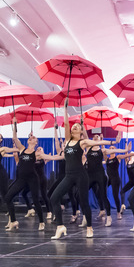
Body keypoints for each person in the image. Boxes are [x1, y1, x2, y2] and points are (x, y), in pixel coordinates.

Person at [49, 99, 115, 239]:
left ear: (80, 132)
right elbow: (66, 123)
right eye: (74, 126)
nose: (74, 127)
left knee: (84, 202)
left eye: (77, 127)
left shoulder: (83, 142)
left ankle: (89, 227)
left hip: (81, 175)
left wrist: (111, 142)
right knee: (54, 197)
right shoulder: (67, 141)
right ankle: (60, 226)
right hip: (68, 176)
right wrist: (65, 108)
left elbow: (97, 142)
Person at [3, 118, 51, 231]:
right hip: (21, 179)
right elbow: (14, 138)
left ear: (36, 143)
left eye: (34, 138)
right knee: (8, 197)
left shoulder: (37, 153)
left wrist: (62, 156)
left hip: (33, 179)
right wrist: (15, 124)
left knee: (35, 200)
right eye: (30, 137)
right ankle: (14, 221)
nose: (31, 138)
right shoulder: (22, 149)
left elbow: (51, 157)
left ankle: (41, 222)